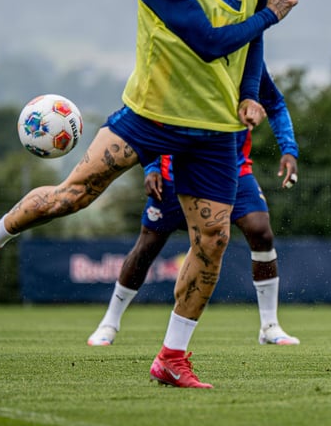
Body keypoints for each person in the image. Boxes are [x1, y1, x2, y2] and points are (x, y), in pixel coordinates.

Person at [0, 0, 299, 389]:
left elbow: (252, 43)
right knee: (74, 195)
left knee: (214, 240)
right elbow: (208, 42)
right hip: (151, 116)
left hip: (214, 130)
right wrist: (272, 13)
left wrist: (249, 93)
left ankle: (172, 357)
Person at [87, 69, 301, 348]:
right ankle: (110, 323)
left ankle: (270, 326)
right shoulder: (185, 59)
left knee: (261, 232)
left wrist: (289, 149)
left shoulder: (248, 63)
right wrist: (151, 166)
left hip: (233, 170)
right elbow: (151, 116)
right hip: (176, 169)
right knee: (148, 245)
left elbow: (275, 104)